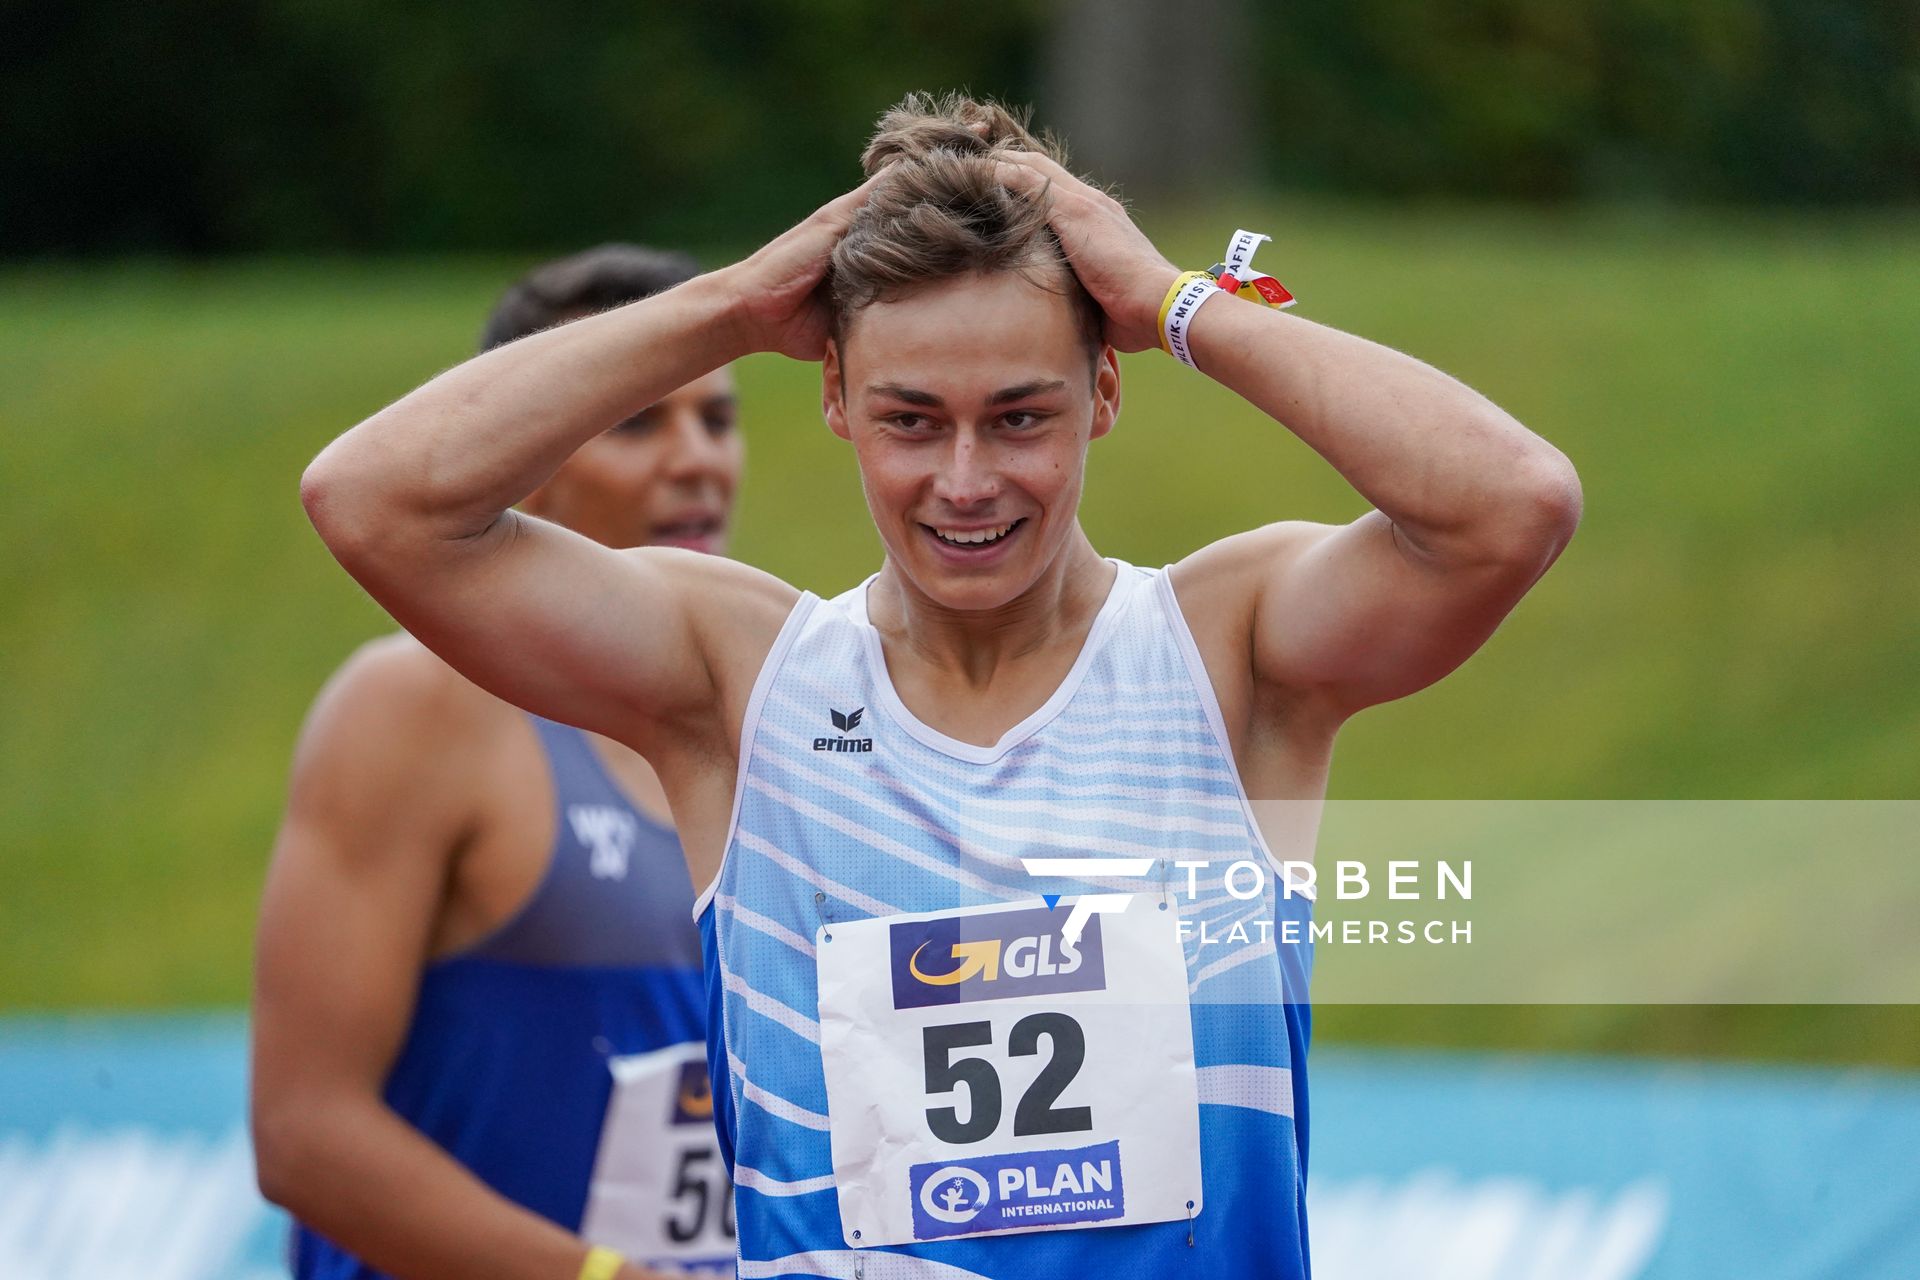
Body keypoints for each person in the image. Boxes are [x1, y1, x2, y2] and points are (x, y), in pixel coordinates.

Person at [296, 94, 1581, 1279]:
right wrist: (737, 305)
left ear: (1105, 390)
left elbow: (1508, 507)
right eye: (913, 420)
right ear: (838, 400)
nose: (965, 482)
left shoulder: (1230, 651)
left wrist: (1175, 297)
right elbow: (374, 504)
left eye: (1020, 416)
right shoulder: (742, 680)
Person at [252, 245, 745, 1280]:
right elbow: (304, 1132)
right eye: (639, 421)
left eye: (718, 418)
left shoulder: (772, 711)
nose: (697, 456)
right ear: (525, 453)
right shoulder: (415, 706)